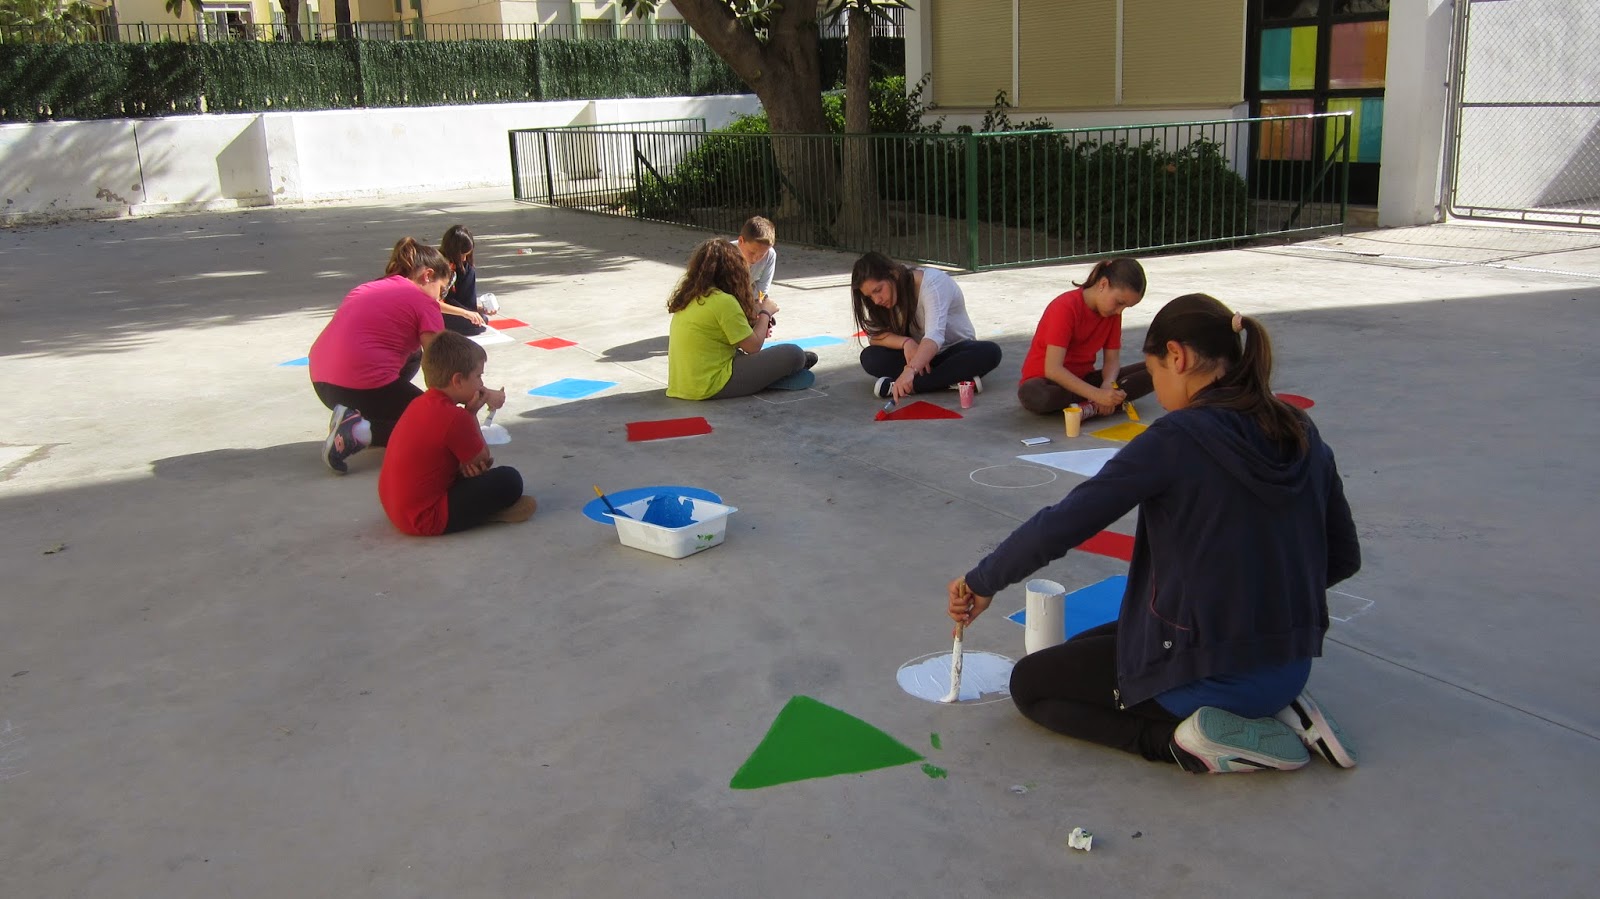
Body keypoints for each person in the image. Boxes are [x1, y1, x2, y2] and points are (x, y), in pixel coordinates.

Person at [946, 293, 1361, 774]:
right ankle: (1280, 710)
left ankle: (1187, 744)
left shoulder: (1177, 439)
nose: (1156, 388)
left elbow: (1064, 522)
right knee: (1095, 643)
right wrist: (1260, 606)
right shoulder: (1300, 428)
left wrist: (982, 581)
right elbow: (1344, 557)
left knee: (1032, 685)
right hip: (1289, 663)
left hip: (1209, 671)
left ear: (1178, 357)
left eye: (1155, 370)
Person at [310, 237, 462, 474]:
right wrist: (467, 394)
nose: (439, 299)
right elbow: (439, 362)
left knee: (411, 354)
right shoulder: (423, 301)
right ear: (427, 275)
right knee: (433, 424)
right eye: (440, 290)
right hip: (359, 385)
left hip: (323, 383)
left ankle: (355, 416)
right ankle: (359, 432)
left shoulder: (371, 286)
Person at [378, 332, 533, 535]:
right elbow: (483, 460)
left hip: (396, 508)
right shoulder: (455, 416)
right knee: (509, 480)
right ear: (457, 380)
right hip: (425, 517)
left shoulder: (419, 402)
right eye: (478, 376)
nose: (481, 384)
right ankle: (485, 513)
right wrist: (471, 413)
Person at [666, 238, 816, 400]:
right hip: (710, 384)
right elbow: (753, 347)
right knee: (793, 354)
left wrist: (755, 320)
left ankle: (771, 375)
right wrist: (766, 313)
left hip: (683, 384)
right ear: (734, 269)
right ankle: (775, 375)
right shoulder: (723, 301)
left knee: (756, 357)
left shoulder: (691, 296)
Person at [849, 251, 1002, 401]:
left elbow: (934, 337)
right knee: (870, 357)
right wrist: (906, 342)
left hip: (952, 351)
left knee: (990, 352)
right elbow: (875, 336)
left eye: (878, 290)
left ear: (893, 274)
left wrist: (909, 371)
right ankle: (951, 381)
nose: (876, 300)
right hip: (918, 357)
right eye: (870, 296)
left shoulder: (933, 283)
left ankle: (909, 386)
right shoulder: (881, 301)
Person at [1017, 257, 1152, 417]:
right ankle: (1097, 403)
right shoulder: (1066, 307)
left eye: (1126, 307)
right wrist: (1097, 395)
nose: (1119, 311)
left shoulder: (1113, 314)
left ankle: (1091, 404)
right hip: (1047, 382)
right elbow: (1053, 370)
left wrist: (1108, 385)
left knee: (1155, 369)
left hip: (1083, 380)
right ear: (1103, 284)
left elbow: (1112, 361)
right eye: (1119, 302)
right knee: (1038, 396)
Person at [438, 224, 490, 336]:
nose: (464, 258)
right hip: (438, 311)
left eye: (467, 254)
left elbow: (457, 299)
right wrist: (465, 313)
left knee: (480, 320)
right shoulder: (438, 266)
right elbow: (434, 303)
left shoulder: (464, 267)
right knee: (476, 323)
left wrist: (478, 309)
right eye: (462, 254)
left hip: (453, 307)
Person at [733, 216, 777, 301]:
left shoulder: (770, 255)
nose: (755, 259)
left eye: (761, 255)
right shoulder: (725, 252)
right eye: (752, 252)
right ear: (741, 241)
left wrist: (760, 302)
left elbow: (763, 286)